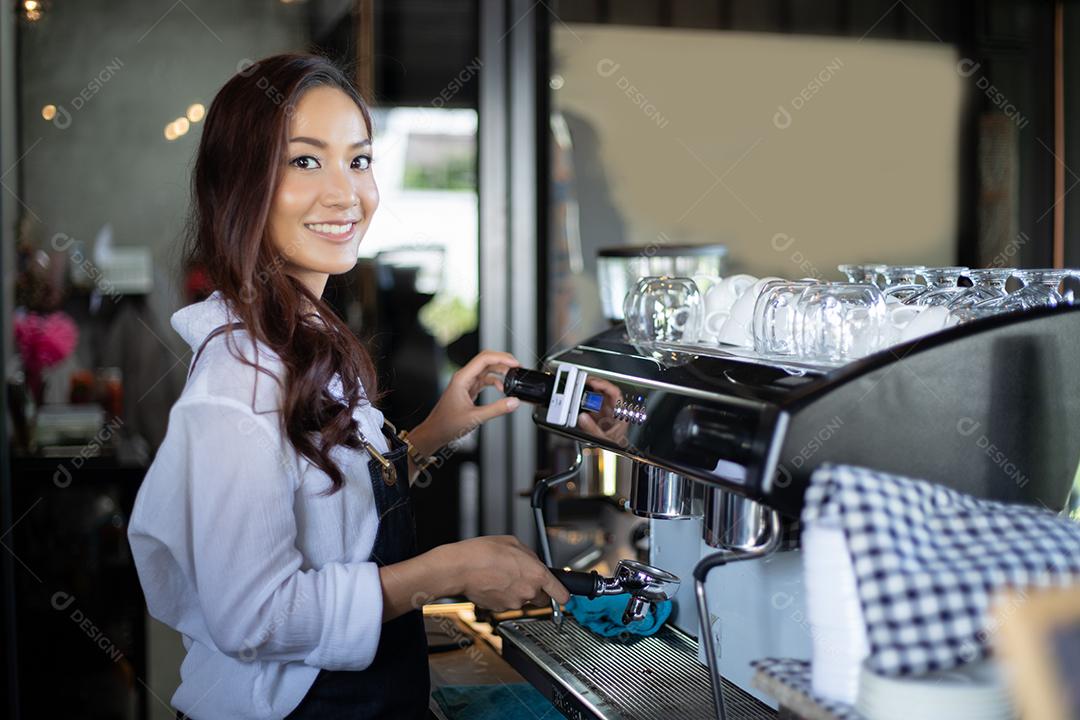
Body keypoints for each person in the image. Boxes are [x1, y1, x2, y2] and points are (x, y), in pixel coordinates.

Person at [127, 53, 570, 720]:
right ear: (240, 184)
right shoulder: (236, 388)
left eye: (358, 160)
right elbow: (257, 618)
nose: (347, 193)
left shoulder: (302, 340)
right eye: (305, 161)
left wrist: (433, 434)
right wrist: (447, 573)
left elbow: (324, 508)